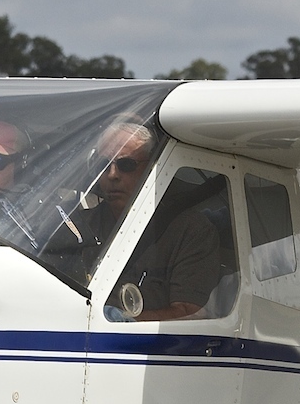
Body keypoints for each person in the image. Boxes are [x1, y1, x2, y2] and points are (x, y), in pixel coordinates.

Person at [87, 122, 220, 321]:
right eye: (104, 166)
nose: (113, 175)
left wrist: (119, 322)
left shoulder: (190, 230)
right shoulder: (81, 226)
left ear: (150, 167)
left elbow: (189, 312)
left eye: (126, 165)